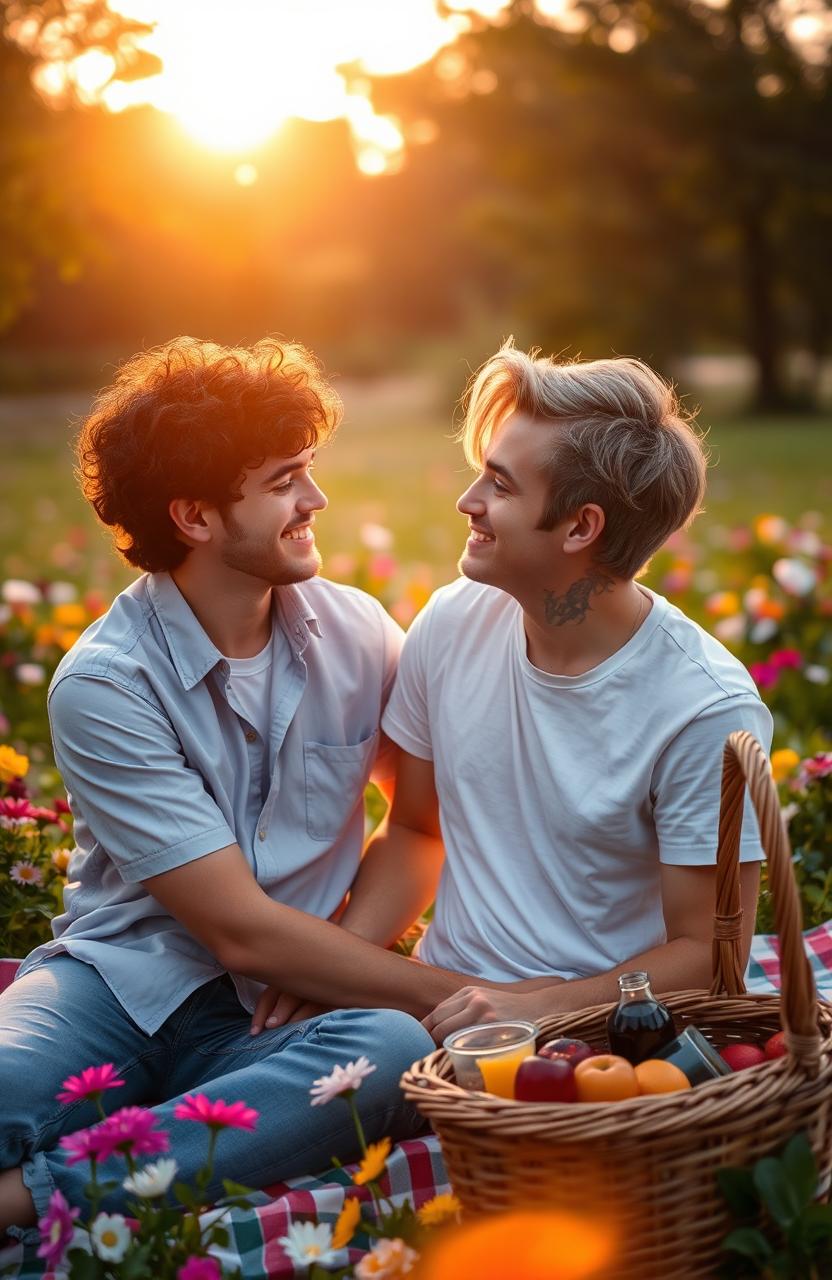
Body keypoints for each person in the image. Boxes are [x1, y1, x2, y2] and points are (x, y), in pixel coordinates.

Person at [0, 337, 492, 1237]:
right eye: (284, 481)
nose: (317, 500)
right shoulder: (107, 684)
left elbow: (418, 830)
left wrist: (341, 959)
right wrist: (463, 997)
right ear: (194, 517)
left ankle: (27, 1200)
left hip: (267, 1017)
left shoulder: (358, 633)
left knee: (385, 1048)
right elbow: (235, 928)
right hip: (116, 990)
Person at [344, 341, 773, 1044]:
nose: (467, 501)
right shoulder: (451, 622)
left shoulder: (704, 708)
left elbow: (707, 955)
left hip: (596, 1038)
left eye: (501, 486)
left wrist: (543, 1009)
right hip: (432, 1009)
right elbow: (418, 829)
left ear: (582, 526)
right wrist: (344, 966)